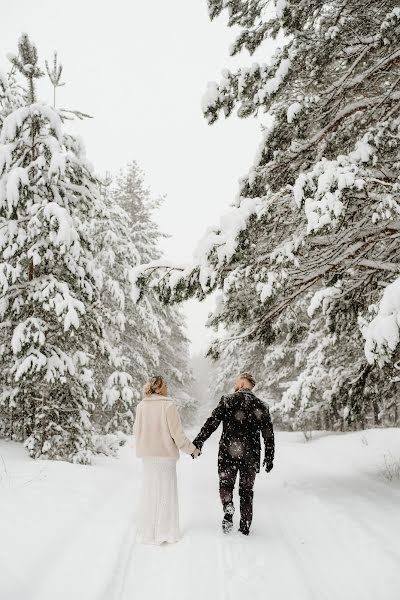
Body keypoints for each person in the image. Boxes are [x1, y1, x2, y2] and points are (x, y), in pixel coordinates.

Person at [192, 372, 274, 536]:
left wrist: (199, 441)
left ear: (243, 383)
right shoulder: (262, 406)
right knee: (246, 491)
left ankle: (228, 505)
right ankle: (245, 527)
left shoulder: (228, 400)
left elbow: (212, 422)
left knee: (226, 484)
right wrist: (269, 456)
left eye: (237, 382)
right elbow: (268, 434)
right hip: (250, 455)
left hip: (228, 453)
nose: (235, 385)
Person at [133, 375, 200, 544]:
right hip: (165, 458)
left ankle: (148, 533)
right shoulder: (168, 406)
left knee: (150, 493)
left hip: (148, 457)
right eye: (166, 385)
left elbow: (137, 432)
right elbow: (177, 435)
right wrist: (192, 450)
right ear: (160, 388)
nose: (168, 388)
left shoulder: (141, 406)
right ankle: (166, 533)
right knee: (166, 494)